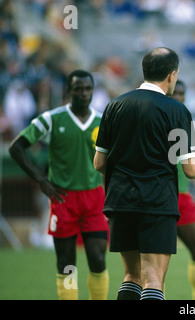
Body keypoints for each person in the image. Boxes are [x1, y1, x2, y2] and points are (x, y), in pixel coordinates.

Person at [93, 47, 195, 300]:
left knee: (131, 277)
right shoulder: (178, 111)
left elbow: (99, 163)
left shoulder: (114, 105)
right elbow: (189, 168)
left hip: (120, 201)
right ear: (172, 75)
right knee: (153, 280)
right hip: (157, 203)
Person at [8, 69, 109, 300]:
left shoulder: (103, 121)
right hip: (63, 199)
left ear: (93, 91)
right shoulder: (52, 119)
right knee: (67, 263)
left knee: (98, 259)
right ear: (69, 90)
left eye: (87, 89)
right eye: (78, 89)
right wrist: (41, 180)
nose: (83, 94)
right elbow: (16, 147)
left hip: (94, 198)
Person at [170, 79, 195, 300]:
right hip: (157, 196)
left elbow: (191, 166)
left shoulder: (187, 124)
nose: (179, 98)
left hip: (182, 197)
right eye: (175, 93)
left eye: (182, 94)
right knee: (154, 259)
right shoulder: (154, 121)